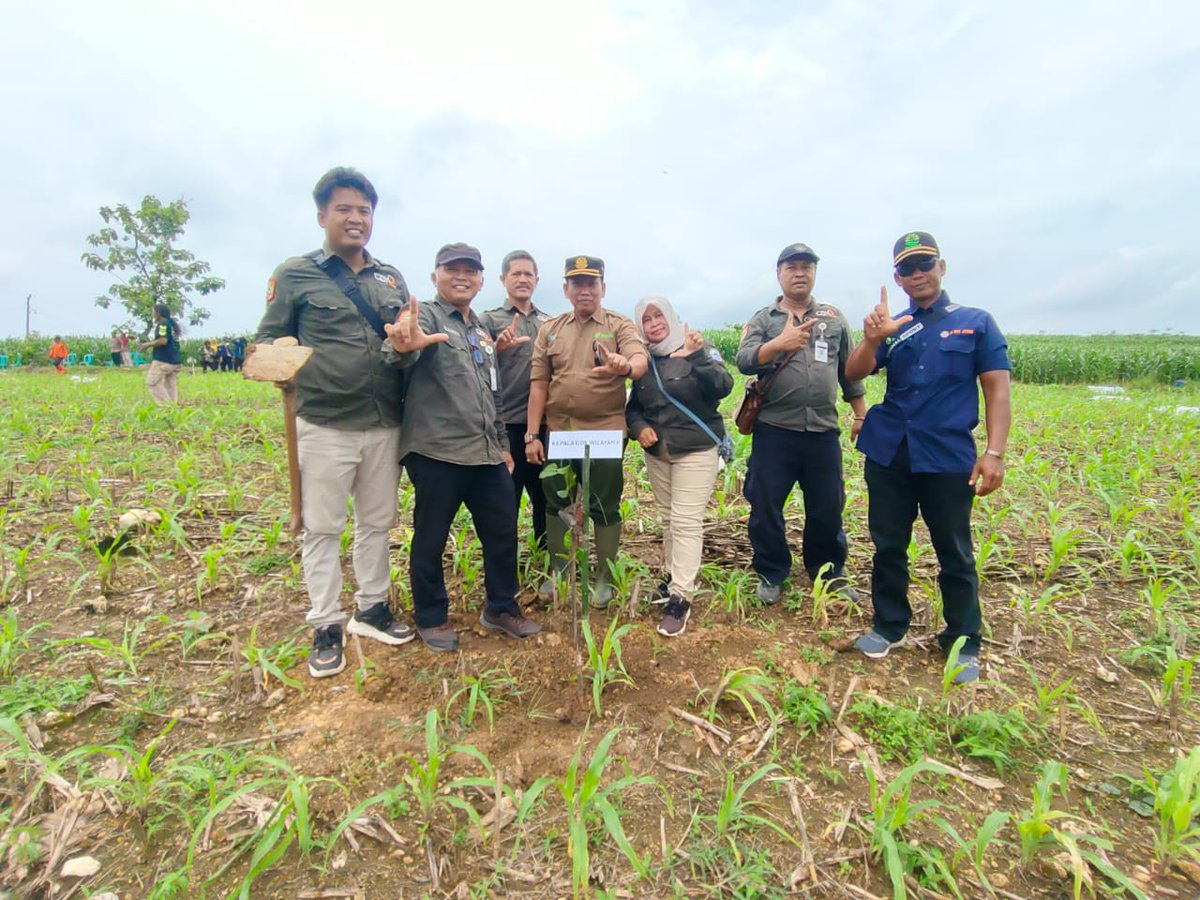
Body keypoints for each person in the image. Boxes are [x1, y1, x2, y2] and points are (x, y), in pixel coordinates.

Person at [255, 166, 414, 679]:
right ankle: (325, 622)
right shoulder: (295, 274)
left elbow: (402, 349)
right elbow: (266, 343)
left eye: (364, 211)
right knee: (322, 527)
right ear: (322, 215)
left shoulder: (391, 279)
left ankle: (372, 607)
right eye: (344, 209)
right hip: (324, 421)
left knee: (378, 522)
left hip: (384, 422)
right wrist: (277, 363)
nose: (355, 219)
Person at [844, 231, 1011, 685]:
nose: (917, 274)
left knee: (954, 551)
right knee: (888, 544)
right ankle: (889, 625)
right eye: (906, 269)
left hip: (947, 456)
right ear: (897, 279)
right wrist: (872, 340)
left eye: (925, 264)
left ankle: (962, 641)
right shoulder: (894, 327)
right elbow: (854, 372)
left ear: (942, 267)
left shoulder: (975, 322)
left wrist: (994, 453)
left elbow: (996, 389)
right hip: (889, 452)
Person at [384, 243, 541, 652]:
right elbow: (398, 351)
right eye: (452, 269)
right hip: (438, 452)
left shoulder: (479, 331)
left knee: (503, 531)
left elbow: (492, 393)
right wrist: (403, 346)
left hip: (487, 453)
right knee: (431, 537)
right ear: (435, 275)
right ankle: (432, 617)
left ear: (481, 280)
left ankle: (501, 608)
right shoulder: (423, 316)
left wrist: (503, 443)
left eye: (470, 270)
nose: (462, 276)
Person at [735, 243, 867, 605]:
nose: (800, 273)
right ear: (779, 274)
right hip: (775, 429)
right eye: (792, 267)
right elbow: (744, 360)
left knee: (827, 505)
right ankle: (771, 569)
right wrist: (779, 343)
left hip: (822, 430)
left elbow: (848, 373)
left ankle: (827, 570)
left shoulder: (833, 318)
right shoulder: (764, 319)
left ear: (814, 273)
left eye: (807, 267)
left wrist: (861, 412)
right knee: (765, 504)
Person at [526, 255, 648, 608]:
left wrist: (625, 365)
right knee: (556, 502)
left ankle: (605, 578)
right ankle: (560, 571)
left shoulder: (618, 324)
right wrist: (532, 435)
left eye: (591, 283)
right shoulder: (550, 330)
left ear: (602, 288)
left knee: (604, 505)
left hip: (606, 432)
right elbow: (539, 385)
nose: (584, 290)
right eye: (576, 283)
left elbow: (639, 359)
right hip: (561, 433)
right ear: (565, 289)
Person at [626, 296, 733, 636]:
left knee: (686, 521)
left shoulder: (696, 346)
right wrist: (639, 427)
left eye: (659, 315)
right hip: (659, 452)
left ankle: (681, 597)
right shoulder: (643, 361)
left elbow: (723, 386)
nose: (654, 323)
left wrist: (697, 356)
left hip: (696, 449)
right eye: (647, 319)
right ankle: (673, 577)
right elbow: (633, 407)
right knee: (670, 519)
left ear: (671, 317)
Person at [480, 251, 554, 551]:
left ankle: (546, 558)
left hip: (547, 426)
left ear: (537, 280)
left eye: (528, 274)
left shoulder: (550, 323)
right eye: (516, 274)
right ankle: (504, 564)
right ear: (503, 280)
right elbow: (473, 367)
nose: (523, 279)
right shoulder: (487, 320)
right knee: (504, 499)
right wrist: (496, 350)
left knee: (546, 497)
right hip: (506, 424)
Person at [139, 305, 183, 403]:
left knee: (152, 382)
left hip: (163, 359)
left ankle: (165, 406)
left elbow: (163, 340)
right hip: (175, 360)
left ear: (158, 313)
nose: (153, 315)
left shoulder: (163, 324)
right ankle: (172, 408)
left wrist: (147, 344)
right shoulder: (171, 324)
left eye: (153, 312)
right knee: (170, 384)